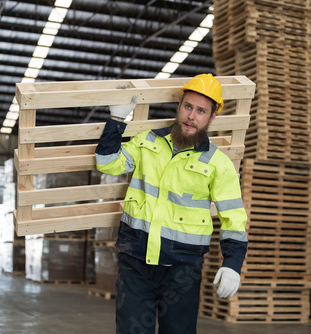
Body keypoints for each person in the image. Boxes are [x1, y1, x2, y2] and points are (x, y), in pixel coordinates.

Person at [95, 73, 248, 334]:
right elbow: (107, 163)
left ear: (211, 118)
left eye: (201, 111)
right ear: (179, 107)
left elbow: (233, 217)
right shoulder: (148, 141)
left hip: (182, 271)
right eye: (188, 107)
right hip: (135, 263)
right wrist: (117, 121)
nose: (192, 116)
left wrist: (233, 264)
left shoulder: (218, 164)